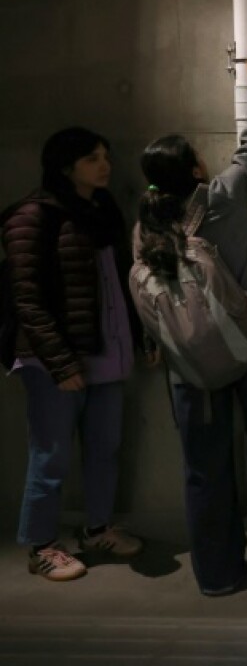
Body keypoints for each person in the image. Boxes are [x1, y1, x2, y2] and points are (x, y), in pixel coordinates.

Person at [134, 52, 247, 596]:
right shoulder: (219, 199)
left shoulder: (145, 224)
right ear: (194, 170)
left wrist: (154, 344)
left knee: (203, 470)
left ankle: (216, 574)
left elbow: (151, 295)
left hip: (188, 364)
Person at [1, 127, 146, 581]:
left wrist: (143, 338)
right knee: (52, 456)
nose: (104, 165)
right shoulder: (31, 216)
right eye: (91, 159)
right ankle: (41, 545)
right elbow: (26, 299)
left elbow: (121, 281)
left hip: (105, 350)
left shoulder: (102, 210)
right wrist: (60, 363)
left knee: (105, 449)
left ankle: (97, 528)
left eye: (105, 155)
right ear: (66, 166)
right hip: (52, 360)